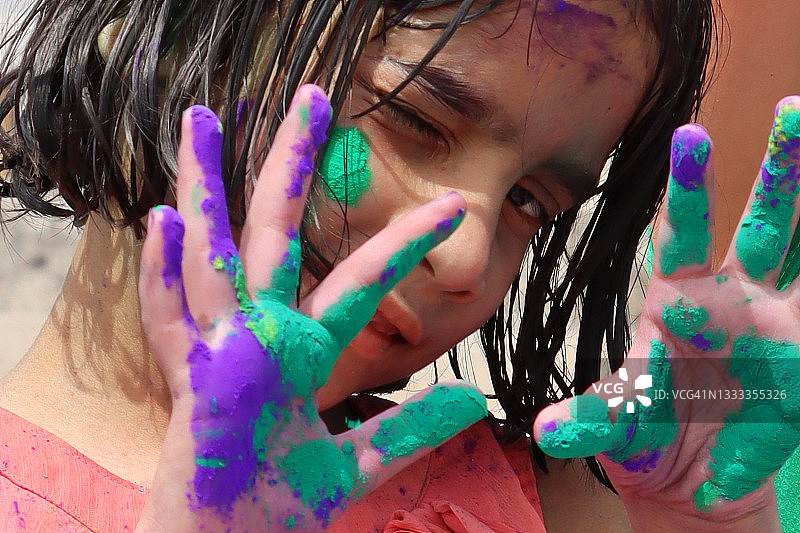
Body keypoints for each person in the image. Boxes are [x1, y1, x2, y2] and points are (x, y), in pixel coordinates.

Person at [0, 0, 795, 531]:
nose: (468, 254)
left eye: (528, 201)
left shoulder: (562, 508)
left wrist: (713, 524)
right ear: (179, 38)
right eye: (415, 117)